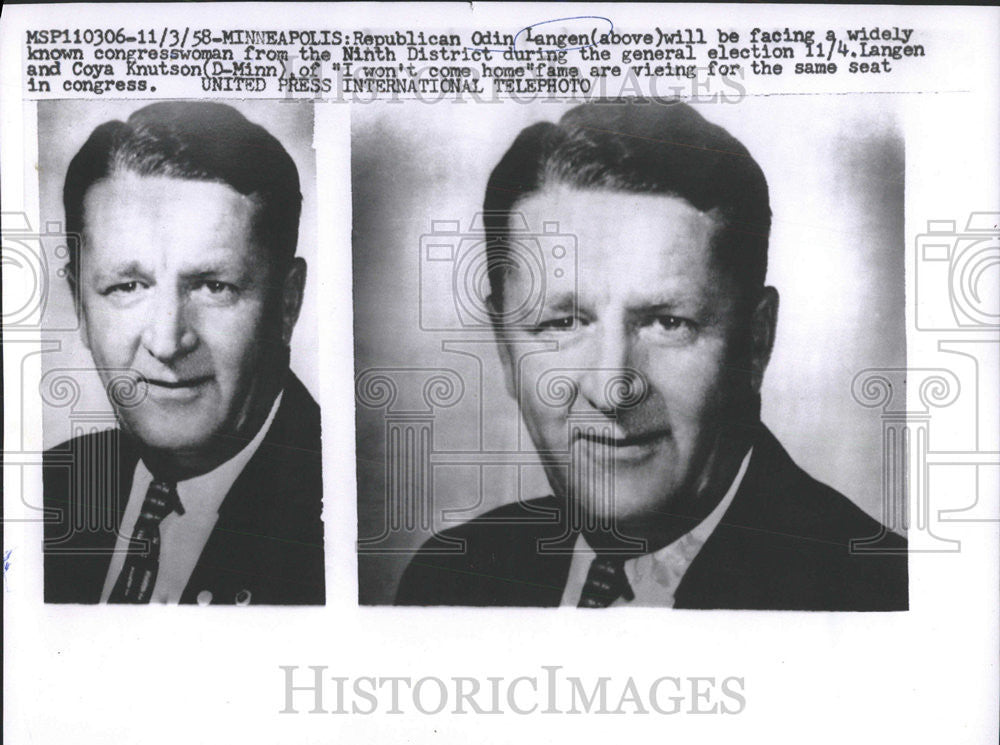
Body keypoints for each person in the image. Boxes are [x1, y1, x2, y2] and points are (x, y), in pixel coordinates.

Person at [397, 99, 907, 610]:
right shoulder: (450, 579)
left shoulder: (882, 596)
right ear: (506, 349)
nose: (612, 388)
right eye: (563, 323)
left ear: (756, 343)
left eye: (668, 323)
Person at [43, 101, 324, 605]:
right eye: (128, 286)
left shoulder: (333, 520)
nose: (168, 342)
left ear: (288, 304)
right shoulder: (41, 496)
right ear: (79, 307)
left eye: (214, 286)